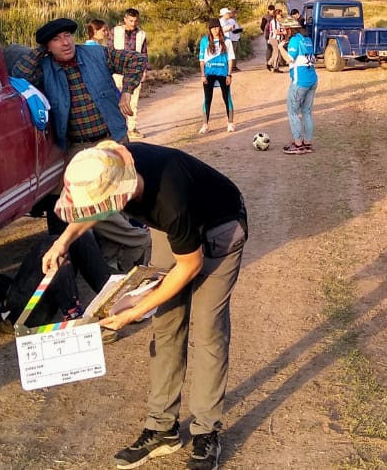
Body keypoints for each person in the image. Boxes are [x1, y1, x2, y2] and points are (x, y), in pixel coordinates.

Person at [43, 141, 247, 470]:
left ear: (120, 196)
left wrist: (135, 312)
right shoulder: (109, 166)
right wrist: (63, 242)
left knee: (209, 330)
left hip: (219, 228)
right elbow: (92, 206)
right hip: (173, 231)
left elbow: (189, 267)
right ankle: (161, 429)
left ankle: (206, 431)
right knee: (167, 325)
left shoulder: (172, 198)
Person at [10, 17, 152, 271]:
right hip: (78, 148)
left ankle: (120, 253)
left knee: (120, 197)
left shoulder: (95, 54)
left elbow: (136, 60)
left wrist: (128, 90)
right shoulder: (44, 67)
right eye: (56, 39)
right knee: (90, 201)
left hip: (112, 139)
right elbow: (16, 76)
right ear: (47, 47)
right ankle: (133, 242)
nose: (65, 43)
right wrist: (41, 50)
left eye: (67, 36)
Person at [277, 17, 317, 154]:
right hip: (312, 79)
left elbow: (289, 58)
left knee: (293, 112)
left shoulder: (294, 40)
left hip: (300, 81)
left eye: (284, 29)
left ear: (289, 29)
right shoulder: (307, 39)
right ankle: (307, 143)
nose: (283, 32)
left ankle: (298, 144)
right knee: (307, 112)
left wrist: (280, 47)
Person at [111, 9, 150, 138]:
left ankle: (132, 129)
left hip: (134, 72)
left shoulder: (141, 34)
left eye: (135, 21)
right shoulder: (115, 31)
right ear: (125, 19)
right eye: (131, 20)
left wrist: (144, 70)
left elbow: (144, 53)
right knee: (116, 99)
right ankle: (118, 128)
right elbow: (109, 50)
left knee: (133, 101)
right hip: (117, 71)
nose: (133, 23)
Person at [198, 18, 235, 134]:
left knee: (226, 97)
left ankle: (230, 123)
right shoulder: (204, 41)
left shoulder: (227, 41)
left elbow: (230, 59)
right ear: (209, 29)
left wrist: (229, 74)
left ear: (220, 28)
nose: (215, 30)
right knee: (207, 99)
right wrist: (203, 74)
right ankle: (205, 124)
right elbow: (201, 60)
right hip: (209, 73)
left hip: (223, 73)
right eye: (212, 28)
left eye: (216, 27)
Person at [218, 7, 242, 73]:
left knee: (231, 53)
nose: (229, 14)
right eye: (228, 13)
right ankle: (226, 67)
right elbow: (221, 30)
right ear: (224, 14)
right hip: (225, 40)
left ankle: (231, 67)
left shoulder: (228, 21)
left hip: (230, 39)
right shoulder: (221, 21)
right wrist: (229, 28)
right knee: (226, 54)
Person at [265, 8, 285, 73]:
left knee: (275, 52)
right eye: (280, 14)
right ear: (276, 15)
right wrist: (283, 33)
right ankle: (275, 67)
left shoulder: (278, 21)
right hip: (275, 38)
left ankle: (269, 63)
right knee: (277, 53)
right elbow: (275, 32)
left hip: (277, 38)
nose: (281, 15)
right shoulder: (274, 22)